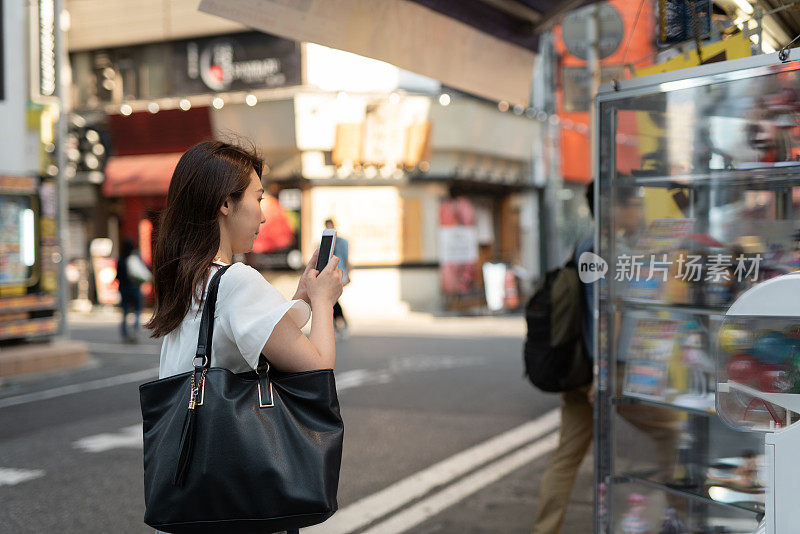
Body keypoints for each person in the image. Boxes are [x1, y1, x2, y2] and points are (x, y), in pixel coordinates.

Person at [145, 140, 342, 534]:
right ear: (225, 203)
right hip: (238, 512)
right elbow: (318, 366)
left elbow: (256, 332)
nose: (264, 216)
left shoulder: (189, 282)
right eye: (258, 197)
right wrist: (324, 302)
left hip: (188, 505)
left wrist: (302, 297)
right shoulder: (236, 280)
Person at [531, 182, 596, 534]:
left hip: (578, 371)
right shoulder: (603, 249)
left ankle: (545, 530)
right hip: (601, 374)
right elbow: (602, 313)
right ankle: (680, 511)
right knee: (669, 434)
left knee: (565, 459)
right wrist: (601, 371)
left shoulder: (583, 244)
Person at [116, 238, 150, 343]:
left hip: (123, 289)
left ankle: (125, 334)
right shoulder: (135, 258)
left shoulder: (121, 260)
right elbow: (143, 271)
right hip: (135, 288)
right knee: (138, 311)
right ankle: (135, 332)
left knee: (125, 312)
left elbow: (118, 276)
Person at [325, 218, 351, 334]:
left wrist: (348, 275)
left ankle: (339, 324)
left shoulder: (342, 242)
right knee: (333, 299)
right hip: (329, 275)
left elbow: (347, 259)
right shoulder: (324, 242)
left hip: (341, 274)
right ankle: (340, 323)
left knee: (333, 299)